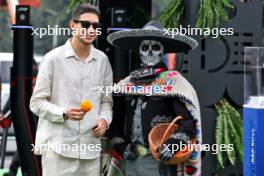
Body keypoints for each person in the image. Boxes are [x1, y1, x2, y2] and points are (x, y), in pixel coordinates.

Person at [107, 21, 202, 176]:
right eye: (145, 48)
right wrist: (121, 146)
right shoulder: (127, 83)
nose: (150, 53)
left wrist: (173, 145)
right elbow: (115, 121)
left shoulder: (174, 83)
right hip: (130, 162)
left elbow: (188, 122)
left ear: (163, 51)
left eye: (155, 47)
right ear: (139, 51)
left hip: (159, 162)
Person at [30, 3, 113, 176]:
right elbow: (36, 103)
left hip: (90, 151)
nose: (91, 30)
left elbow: (106, 102)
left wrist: (104, 121)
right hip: (57, 150)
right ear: (72, 25)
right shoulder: (53, 59)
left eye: (95, 26)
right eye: (85, 25)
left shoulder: (103, 61)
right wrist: (64, 112)